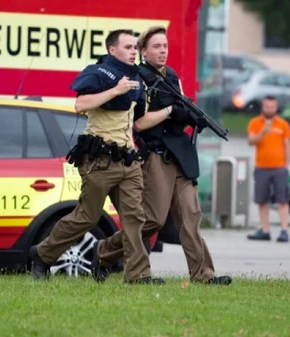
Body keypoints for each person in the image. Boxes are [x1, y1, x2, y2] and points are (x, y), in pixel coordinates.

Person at [89, 26, 231, 285]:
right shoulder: (138, 78)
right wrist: (169, 111)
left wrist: (191, 117)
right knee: (152, 219)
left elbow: (180, 108)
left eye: (165, 46)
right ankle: (104, 251)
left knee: (190, 218)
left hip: (181, 156)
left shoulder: (172, 76)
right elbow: (139, 123)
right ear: (143, 51)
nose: (162, 51)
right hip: (155, 156)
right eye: (156, 46)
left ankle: (203, 275)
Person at [29, 29, 160, 284]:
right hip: (99, 160)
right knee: (87, 217)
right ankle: (42, 255)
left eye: (135, 47)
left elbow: (139, 122)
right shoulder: (98, 72)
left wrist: (170, 111)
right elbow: (80, 105)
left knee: (135, 218)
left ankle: (138, 275)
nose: (134, 51)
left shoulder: (138, 80)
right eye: (128, 47)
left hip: (128, 160)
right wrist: (115, 90)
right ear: (113, 50)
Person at [246, 96, 290, 242]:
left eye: (272, 107)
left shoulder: (283, 124)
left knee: (282, 200)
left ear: (276, 108)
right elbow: (250, 141)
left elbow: (287, 145)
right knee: (262, 200)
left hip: (279, 168)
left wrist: (287, 165)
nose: (270, 110)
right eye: (267, 107)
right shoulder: (255, 123)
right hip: (262, 167)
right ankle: (265, 230)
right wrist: (263, 132)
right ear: (263, 107)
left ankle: (284, 230)